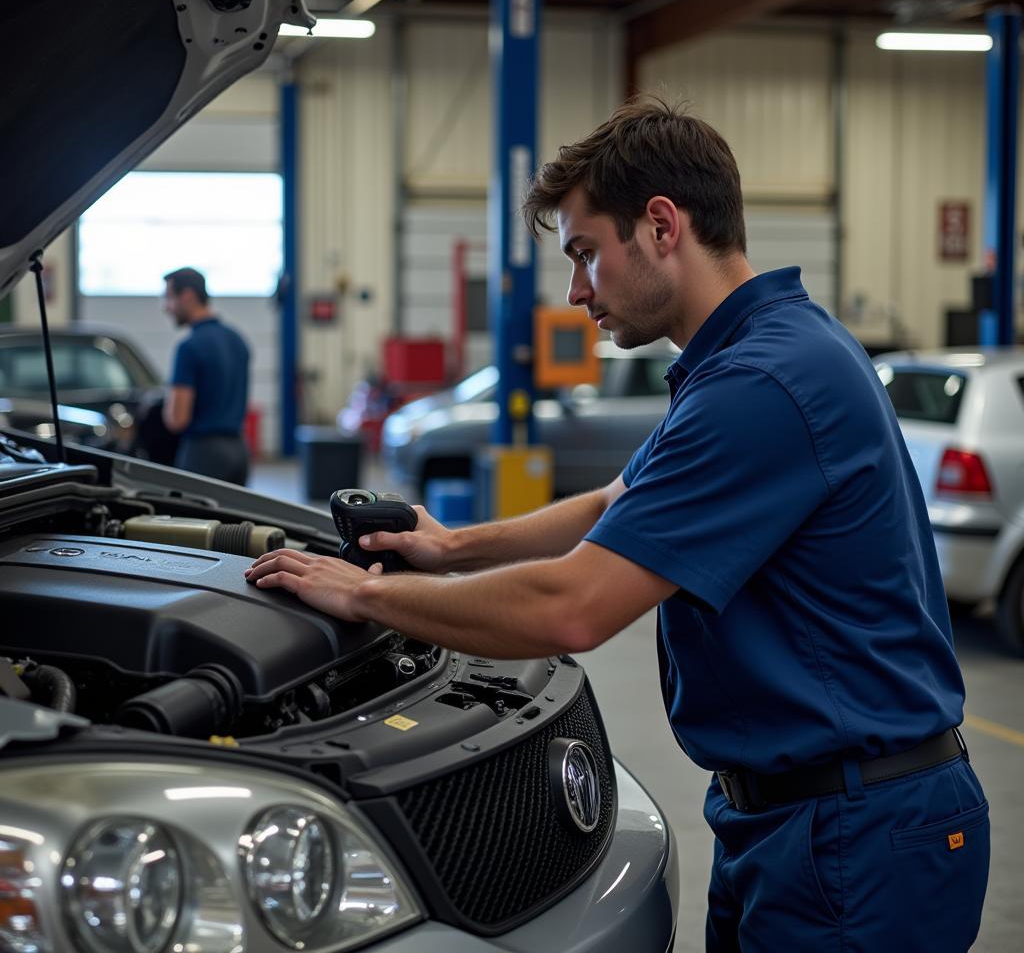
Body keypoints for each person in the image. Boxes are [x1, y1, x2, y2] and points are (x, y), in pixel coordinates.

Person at [245, 97, 989, 951]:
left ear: (662, 226)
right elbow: (613, 503)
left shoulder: (764, 384)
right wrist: (447, 547)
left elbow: (574, 608)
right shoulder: (758, 352)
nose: (575, 291)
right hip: (801, 818)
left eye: (585, 253)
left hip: (856, 835)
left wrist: (371, 598)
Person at [162, 266, 251, 485]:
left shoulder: (189, 347)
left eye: (169, 299)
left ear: (188, 296)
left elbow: (177, 419)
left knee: (195, 520)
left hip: (203, 454)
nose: (167, 308)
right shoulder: (238, 340)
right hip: (239, 451)